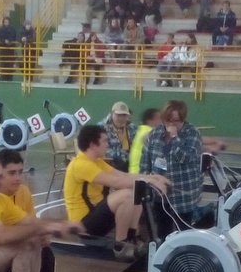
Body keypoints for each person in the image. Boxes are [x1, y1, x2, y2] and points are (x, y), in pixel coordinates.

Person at [65, 123, 169, 261]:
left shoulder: (96, 161)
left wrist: (153, 177)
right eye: (104, 141)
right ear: (92, 144)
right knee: (126, 195)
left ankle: (132, 237)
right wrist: (150, 181)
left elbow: (123, 176)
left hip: (95, 216)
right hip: (83, 225)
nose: (107, 145)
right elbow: (117, 182)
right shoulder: (81, 165)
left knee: (136, 190)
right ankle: (120, 245)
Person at [142, 100, 220, 229]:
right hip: (161, 194)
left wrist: (174, 138)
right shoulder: (155, 134)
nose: (171, 124)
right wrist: (145, 180)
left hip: (184, 195)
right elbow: (146, 160)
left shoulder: (192, 134)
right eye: (168, 120)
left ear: (183, 119)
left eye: (176, 121)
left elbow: (184, 158)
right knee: (163, 230)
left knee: (183, 231)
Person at [103, 102, 137, 171]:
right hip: (110, 165)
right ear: (112, 114)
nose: (121, 118)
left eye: (124, 115)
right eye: (118, 115)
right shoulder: (101, 128)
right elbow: (102, 149)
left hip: (130, 165)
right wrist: (124, 156)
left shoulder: (133, 127)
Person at [128, 107, 160, 174]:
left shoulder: (140, 130)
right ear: (149, 121)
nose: (162, 121)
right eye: (159, 118)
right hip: (139, 173)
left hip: (134, 172)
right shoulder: (149, 132)